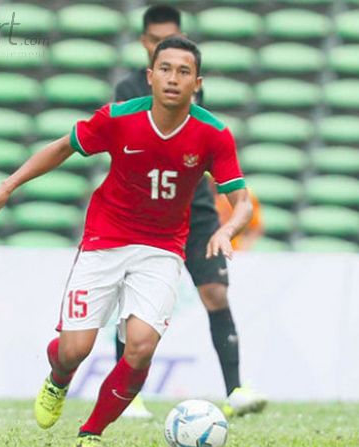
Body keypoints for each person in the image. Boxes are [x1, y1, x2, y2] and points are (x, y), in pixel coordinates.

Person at [0, 37, 253, 447]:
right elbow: (62, 147)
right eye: (165, 69)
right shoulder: (120, 118)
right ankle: (58, 380)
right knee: (75, 350)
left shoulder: (212, 134)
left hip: (162, 249)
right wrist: (7, 185)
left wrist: (225, 229)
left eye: (183, 72)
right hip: (106, 239)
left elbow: (243, 202)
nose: (173, 79)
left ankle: (91, 433)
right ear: (150, 76)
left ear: (197, 82)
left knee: (140, 347)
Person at [114, 3, 266, 419]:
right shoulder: (128, 91)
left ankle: (235, 390)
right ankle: (127, 396)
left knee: (215, 292)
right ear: (145, 45)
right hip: (144, 212)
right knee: (134, 304)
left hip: (194, 207)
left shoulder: (193, 90)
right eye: (158, 41)